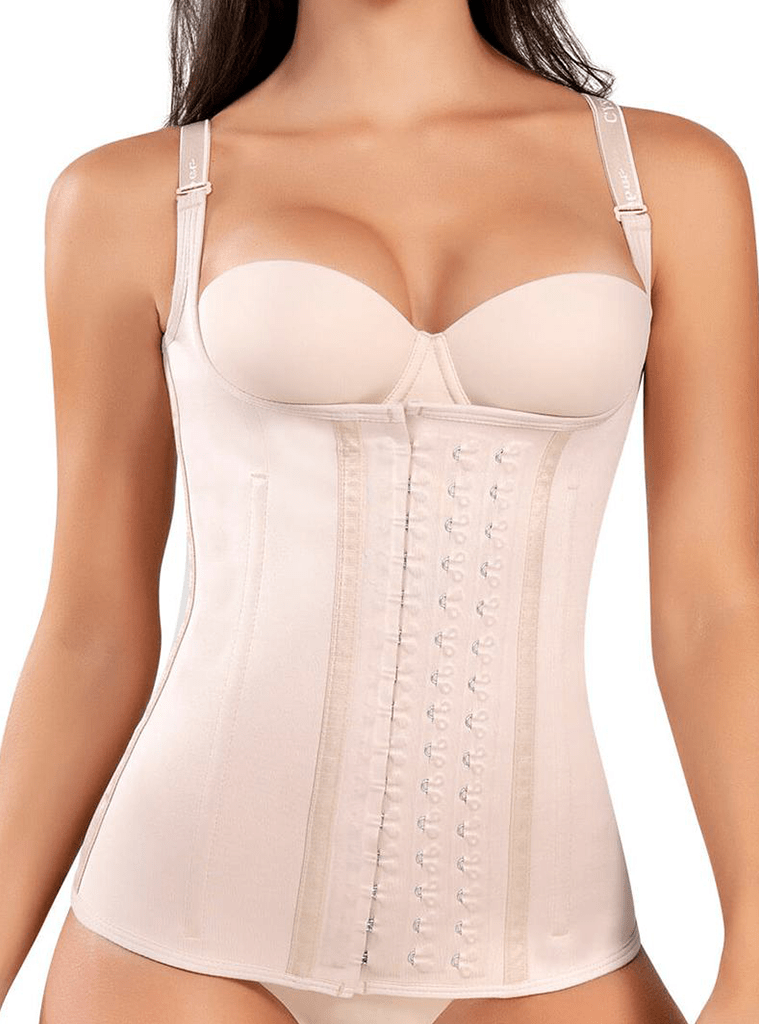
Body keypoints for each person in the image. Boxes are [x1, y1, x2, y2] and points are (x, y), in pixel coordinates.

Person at [1, 0, 757, 1022]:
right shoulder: (127, 197)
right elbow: (91, 632)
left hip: (547, 948)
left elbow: (716, 607)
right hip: (177, 939)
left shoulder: (669, 184)